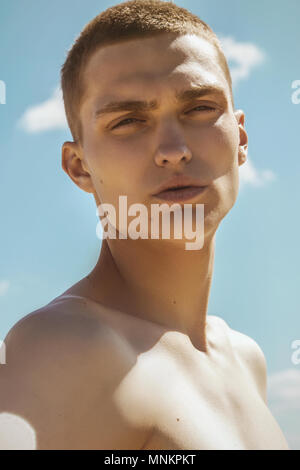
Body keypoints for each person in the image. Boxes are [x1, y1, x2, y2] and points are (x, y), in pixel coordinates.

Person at [0, 0, 290, 450]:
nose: (173, 150)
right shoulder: (62, 349)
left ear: (241, 139)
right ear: (78, 167)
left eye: (199, 108)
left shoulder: (245, 358)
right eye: (130, 121)